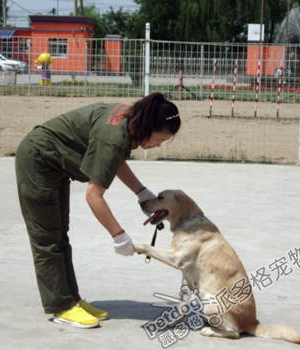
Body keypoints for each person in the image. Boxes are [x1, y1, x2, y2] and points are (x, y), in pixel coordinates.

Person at [15, 92, 181, 328]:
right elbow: (94, 196)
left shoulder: (130, 120)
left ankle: (72, 299)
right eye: (159, 139)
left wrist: (141, 193)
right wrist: (119, 236)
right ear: (148, 126)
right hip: (38, 162)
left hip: (54, 165)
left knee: (60, 235)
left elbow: (113, 158)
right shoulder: (114, 137)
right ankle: (61, 306)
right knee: (47, 238)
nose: (157, 146)